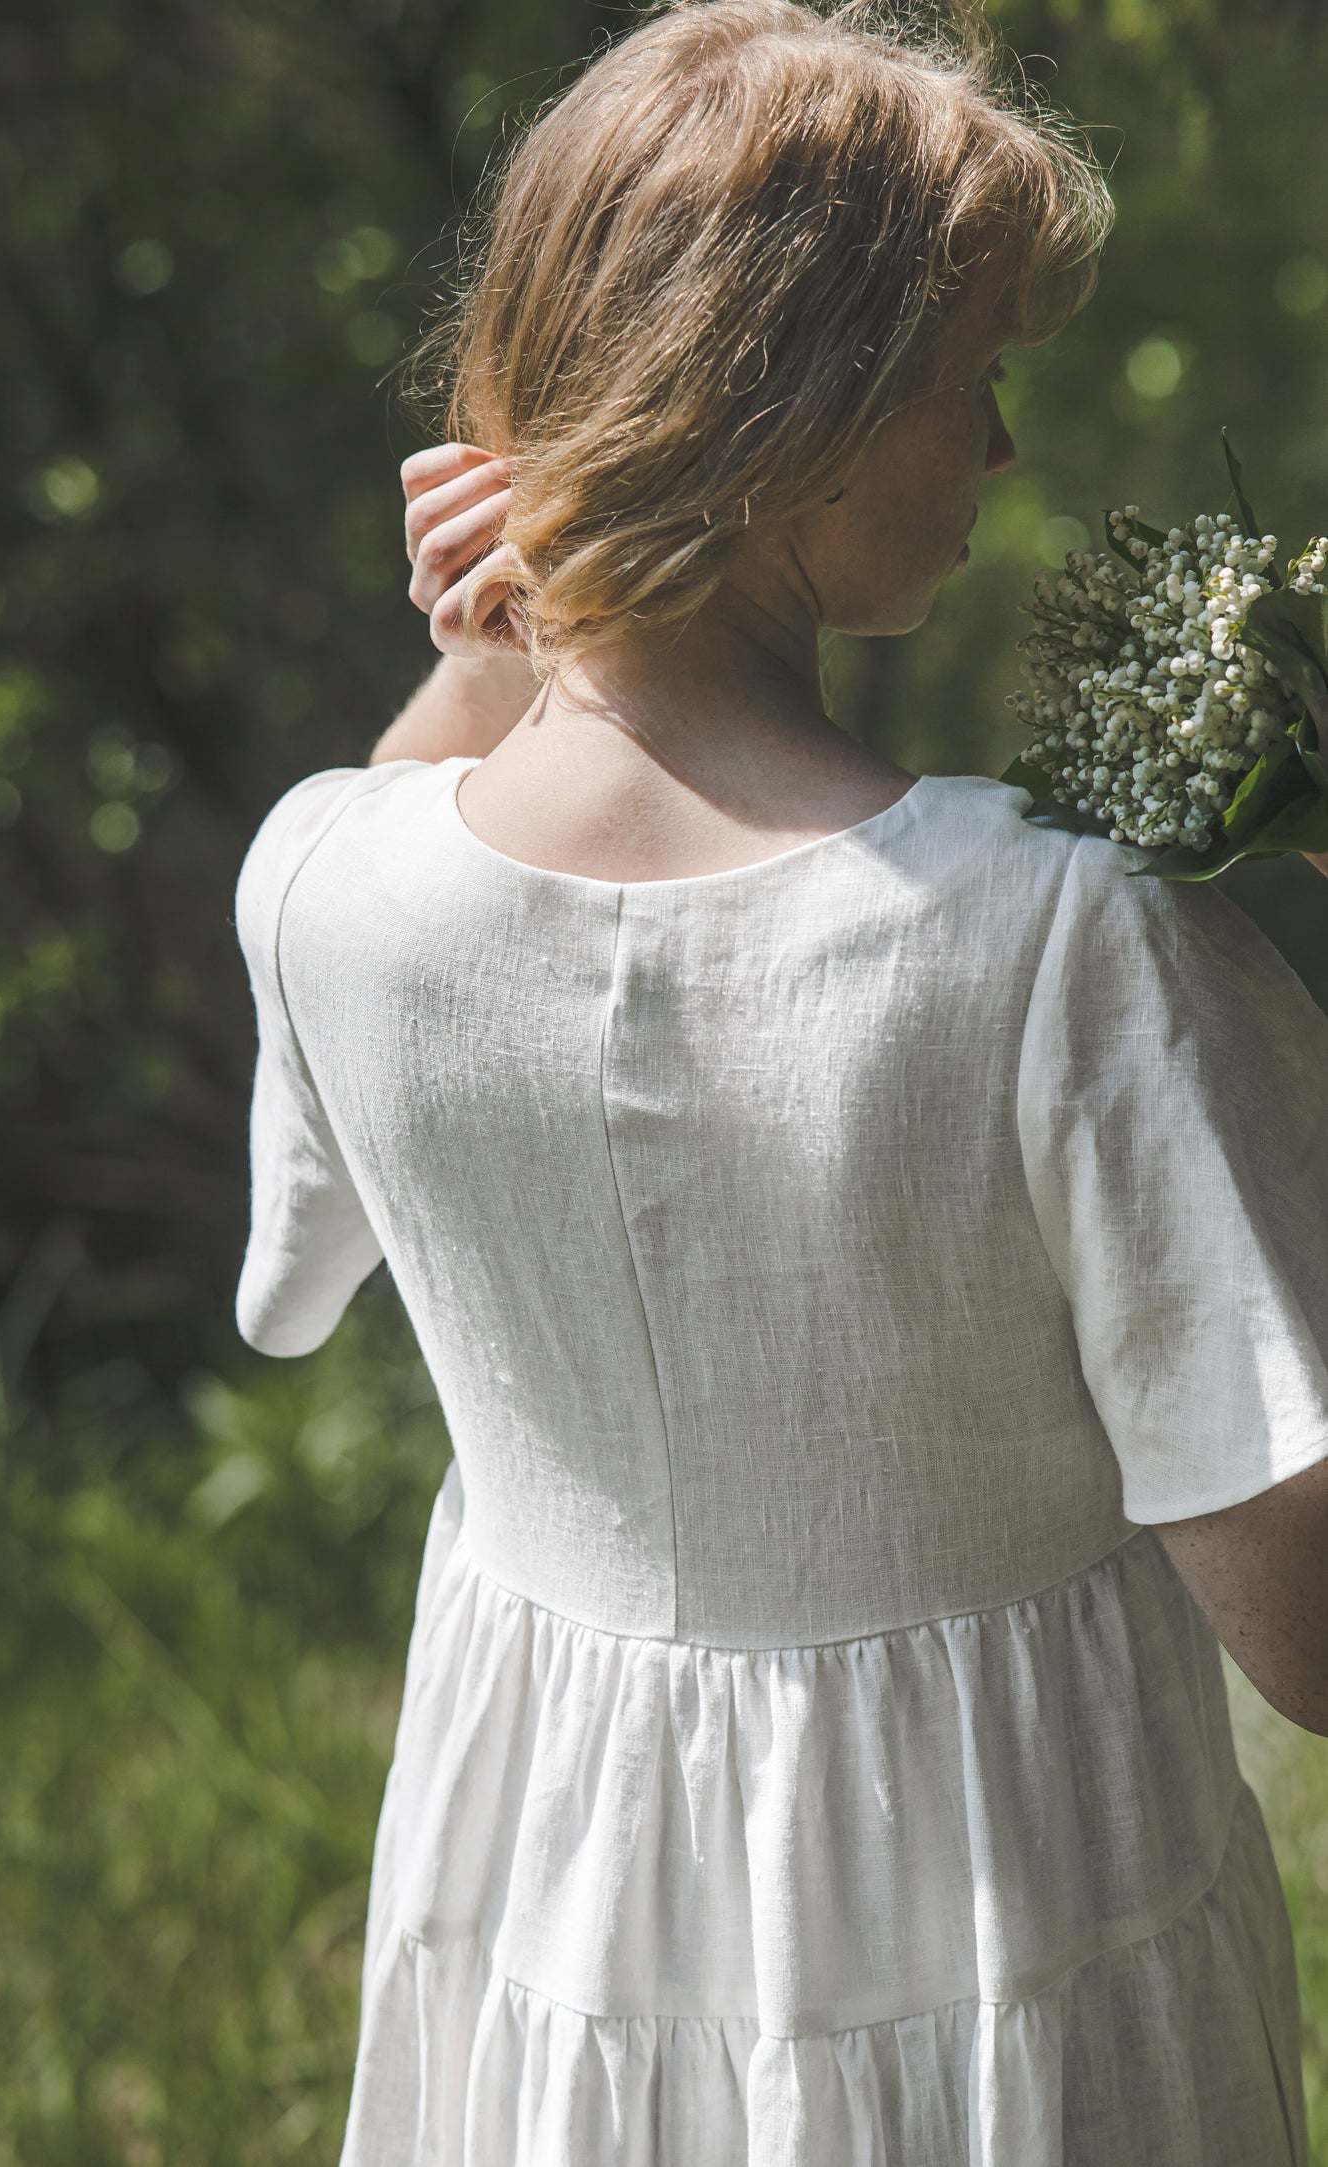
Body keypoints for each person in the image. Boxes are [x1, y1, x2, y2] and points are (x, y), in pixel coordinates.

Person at [233, 3, 1328, 2160]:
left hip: (558, 1928)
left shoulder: (324, 884)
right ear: (801, 421)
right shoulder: (1053, 943)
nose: (1003, 458)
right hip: (1010, 1940)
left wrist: (484, 660)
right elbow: (1304, 1628)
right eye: (971, 385)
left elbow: (386, 996)